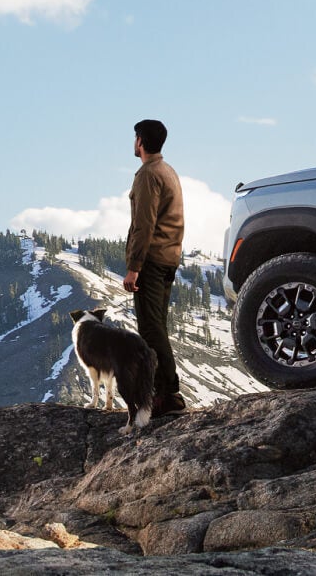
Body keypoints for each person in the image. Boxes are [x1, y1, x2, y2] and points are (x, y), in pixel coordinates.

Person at [124, 119, 187, 417]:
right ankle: (165, 391)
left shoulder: (148, 175)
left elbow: (144, 224)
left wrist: (134, 267)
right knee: (157, 325)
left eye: (135, 138)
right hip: (168, 257)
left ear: (140, 141)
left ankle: (168, 393)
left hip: (151, 260)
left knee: (150, 328)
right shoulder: (168, 171)